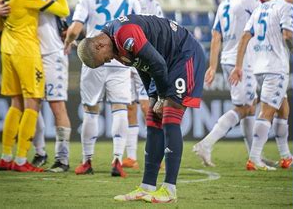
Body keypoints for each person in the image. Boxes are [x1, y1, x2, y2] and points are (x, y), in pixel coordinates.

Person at [77, 14, 206, 203]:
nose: (108, 61)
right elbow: (142, 65)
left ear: (99, 46)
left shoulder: (124, 34)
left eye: (103, 60)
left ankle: (169, 190)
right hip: (164, 63)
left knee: (170, 114)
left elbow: (157, 64)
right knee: (154, 116)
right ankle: (147, 187)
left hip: (183, 55)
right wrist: (153, 96)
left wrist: (162, 96)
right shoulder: (113, 42)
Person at [63, 0, 141, 177]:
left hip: (95, 57)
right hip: (120, 57)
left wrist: (69, 43)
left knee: (90, 109)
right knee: (119, 108)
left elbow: (76, 27)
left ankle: (87, 161)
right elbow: (138, 22)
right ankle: (117, 160)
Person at [0, 0, 72, 172]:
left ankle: (9, 156)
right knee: (32, 104)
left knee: (23, 104)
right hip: (28, 50)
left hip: (18, 49)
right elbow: (63, 9)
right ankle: (23, 159)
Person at [193, 0, 269, 167]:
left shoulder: (225, 2)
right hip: (242, 60)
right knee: (243, 108)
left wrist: (212, 66)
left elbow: (216, 35)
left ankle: (255, 156)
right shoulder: (251, 0)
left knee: (250, 107)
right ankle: (206, 143)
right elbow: (267, 19)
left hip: (228, 57)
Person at [229, 0, 293, 170]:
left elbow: (244, 36)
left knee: (283, 108)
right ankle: (254, 157)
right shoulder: (286, 7)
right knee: (267, 112)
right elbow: (288, 34)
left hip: (259, 67)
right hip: (276, 67)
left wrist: (238, 66)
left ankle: (285, 156)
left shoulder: (261, 8)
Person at [122, 0, 163, 170]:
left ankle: (158, 154)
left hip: (145, 63)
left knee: (149, 107)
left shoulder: (151, 4)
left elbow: (161, 31)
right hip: (125, 63)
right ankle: (131, 157)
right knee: (129, 107)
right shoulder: (122, 2)